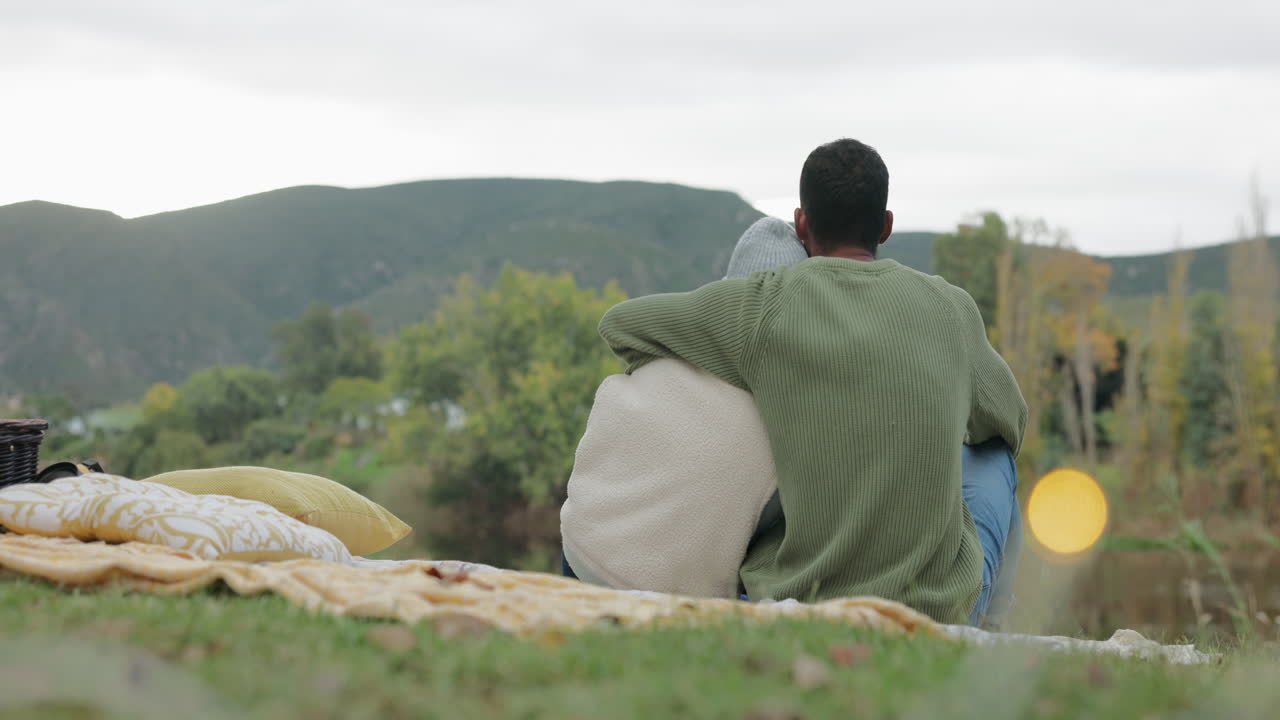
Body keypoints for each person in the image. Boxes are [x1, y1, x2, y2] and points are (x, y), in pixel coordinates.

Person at [593, 139, 1028, 625]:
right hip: (936, 610)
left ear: (802, 224)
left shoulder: (766, 304)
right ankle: (991, 635)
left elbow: (621, 324)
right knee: (994, 458)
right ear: (885, 225)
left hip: (801, 603)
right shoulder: (951, 307)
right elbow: (1010, 419)